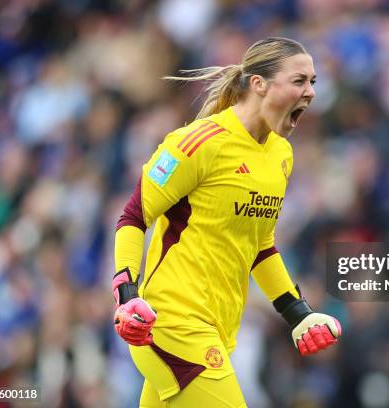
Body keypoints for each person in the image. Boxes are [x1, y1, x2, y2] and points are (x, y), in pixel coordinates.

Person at [112, 37, 342, 407]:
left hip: (219, 331)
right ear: (258, 83)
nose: (311, 92)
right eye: (300, 81)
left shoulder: (281, 154)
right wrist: (127, 294)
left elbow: (260, 245)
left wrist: (299, 313)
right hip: (171, 324)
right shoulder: (198, 143)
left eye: (313, 82)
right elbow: (134, 216)